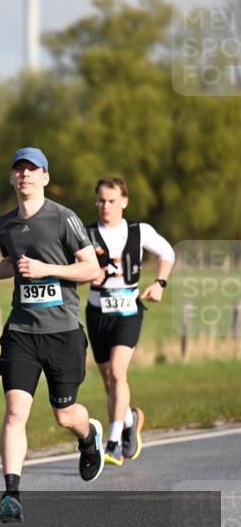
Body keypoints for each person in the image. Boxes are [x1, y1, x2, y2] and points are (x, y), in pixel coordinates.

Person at [0, 147, 105, 524]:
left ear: (45, 177)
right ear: (12, 178)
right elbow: (13, 262)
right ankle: (11, 494)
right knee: (15, 411)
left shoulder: (64, 219)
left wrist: (46, 269)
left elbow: (92, 269)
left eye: (32, 170)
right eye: (19, 170)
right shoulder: (4, 225)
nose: (25, 175)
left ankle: (88, 437)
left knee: (64, 415)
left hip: (62, 331)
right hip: (22, 331)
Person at [86, 177, 175, 466]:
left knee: (117, 372)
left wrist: (160, 283)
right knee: (108, 380)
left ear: (124, 201)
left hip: (128, 311)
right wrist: (88, 274)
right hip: (97, 312)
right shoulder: (86, 234)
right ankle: (129, 419)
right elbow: (71, 266)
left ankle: (113, 443)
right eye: (101, 200)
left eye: (112, 201)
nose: (106, 206)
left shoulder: (139, 231)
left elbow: (167, 252)